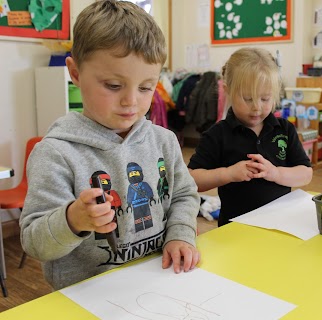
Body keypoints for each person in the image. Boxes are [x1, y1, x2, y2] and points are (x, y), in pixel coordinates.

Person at [20, 0, 200, 290]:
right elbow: (34, 242)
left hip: (160, 285)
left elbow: (184, 195)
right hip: (88, 299)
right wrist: (72, 220)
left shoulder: (164, 141)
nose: (131, 101)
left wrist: (180, 233)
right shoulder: (55, 153)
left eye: (145, 87)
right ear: (75, 73)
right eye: (114, 86)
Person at [187, 47, 313, 227]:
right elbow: (192, 180)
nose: (256, 107)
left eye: (265, 99)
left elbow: (305, 174)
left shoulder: (284, 130)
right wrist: (228, 173)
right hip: (235, 230)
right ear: (227, 90)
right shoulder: (217, 135)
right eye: (248, 98)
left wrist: (275, 173)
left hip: (281, 225)